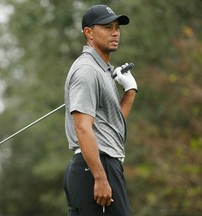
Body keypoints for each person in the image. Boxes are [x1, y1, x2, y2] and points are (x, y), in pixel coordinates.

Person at [63, 4, 137, 216]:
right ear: (89, 33)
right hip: (95, 167)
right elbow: (82, 127)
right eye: (107, 27)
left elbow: (113, 126)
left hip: (103, 164)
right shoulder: (87, 70)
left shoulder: (102, 71)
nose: (114, 33)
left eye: (117, 27)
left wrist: (129, 91)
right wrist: (100, 178)